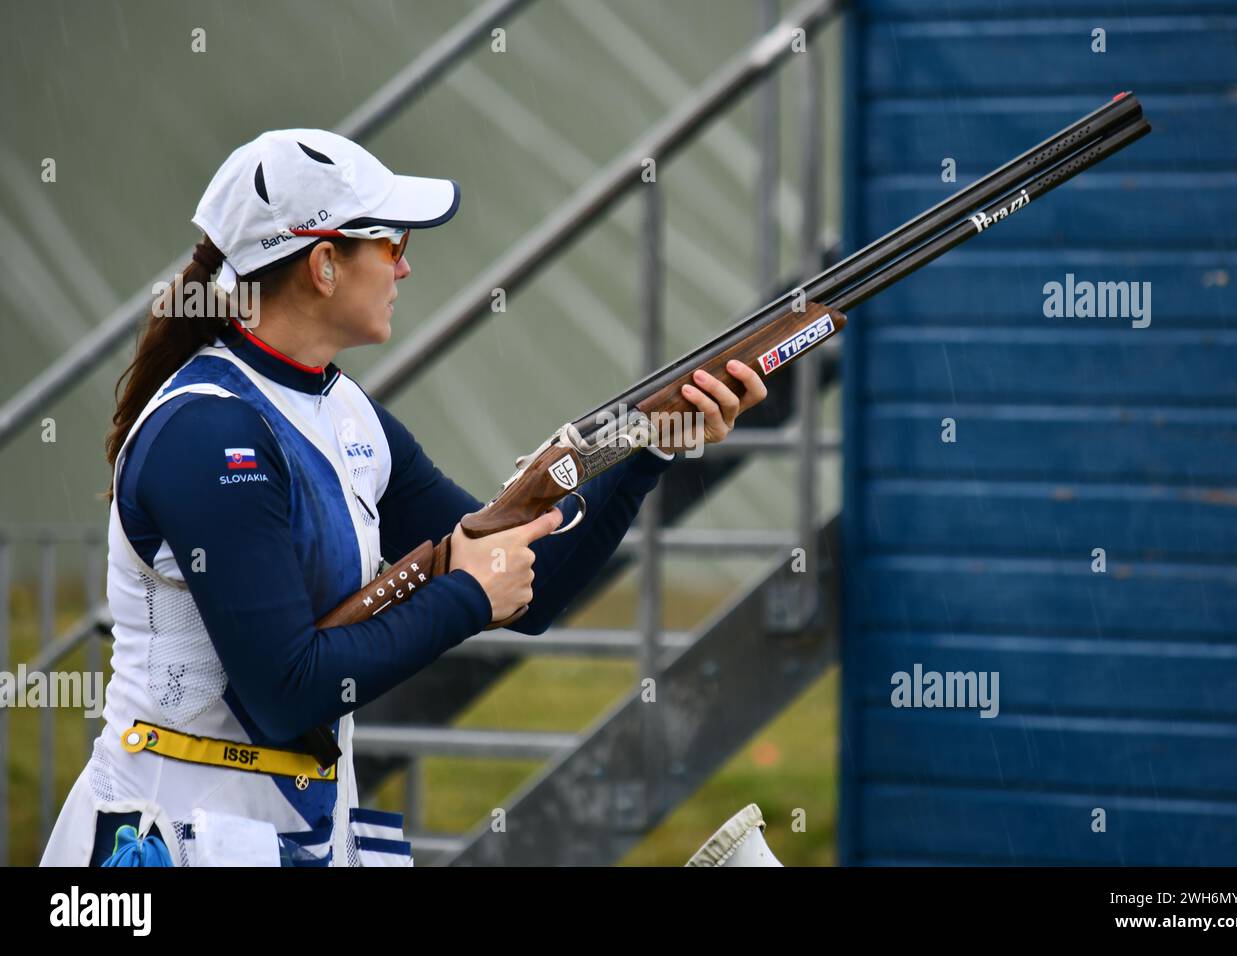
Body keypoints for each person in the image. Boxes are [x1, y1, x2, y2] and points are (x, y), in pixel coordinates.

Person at [40, 128, 768, 866]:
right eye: (391, 245)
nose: (407, 267)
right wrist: (465, 596)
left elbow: (530, 589)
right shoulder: (207, 431)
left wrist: (648, 448)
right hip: (169, 839)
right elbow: (286, 690)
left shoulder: (345, 414)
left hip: (291, 839)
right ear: (324, 264)